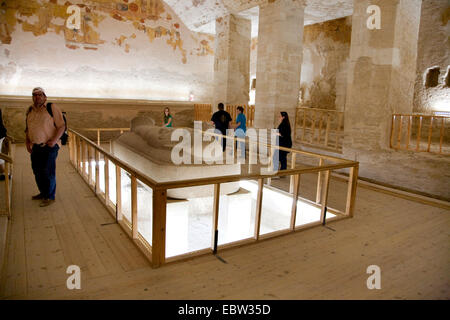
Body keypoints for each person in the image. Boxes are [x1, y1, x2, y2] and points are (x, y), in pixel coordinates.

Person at [25, 87, 65, 207]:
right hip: (36, 146)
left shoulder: (51, 108)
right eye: (35, 95)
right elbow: (28, 128)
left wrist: (54, 140)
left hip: (50, 146)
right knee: (37, 171)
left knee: (48, 171)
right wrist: (28, 142)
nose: (37, 97)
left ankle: (50, 196)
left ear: (45, 97)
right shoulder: (30, 110)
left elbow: (62, 126)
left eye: (40, 95)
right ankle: (43, 193)